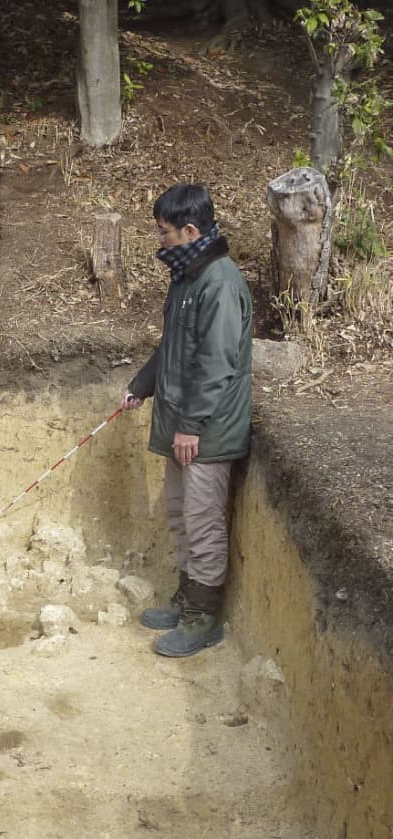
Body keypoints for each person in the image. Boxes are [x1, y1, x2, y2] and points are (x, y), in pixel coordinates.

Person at [122, 183, 253, 658]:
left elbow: (216, 364)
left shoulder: (219, 283)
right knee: (180, 515)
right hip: (184, 423)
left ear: (191, 230)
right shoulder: (186, 277)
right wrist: (141, 385)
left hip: (208, 431)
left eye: (164, 232)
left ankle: (205, 619)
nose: (160, 240)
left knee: (201, 522)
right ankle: (186, 599)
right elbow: (173, 348)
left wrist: (192, 426)